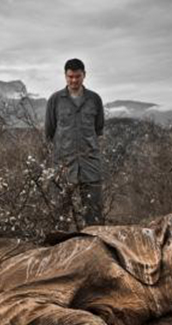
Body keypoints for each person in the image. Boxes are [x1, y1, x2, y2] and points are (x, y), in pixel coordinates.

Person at [45, 58, 105, 226]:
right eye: (70, 76)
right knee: (60, 213)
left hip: (90, 164)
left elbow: (98, 129)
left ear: (84, 75)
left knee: (94, 213)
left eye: (77, 76)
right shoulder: (55, 100)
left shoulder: (94, 99)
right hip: (63, 164)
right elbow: (49, 132)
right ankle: (59, 248)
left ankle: (95, 247)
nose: (74, 80)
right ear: (65, 76)